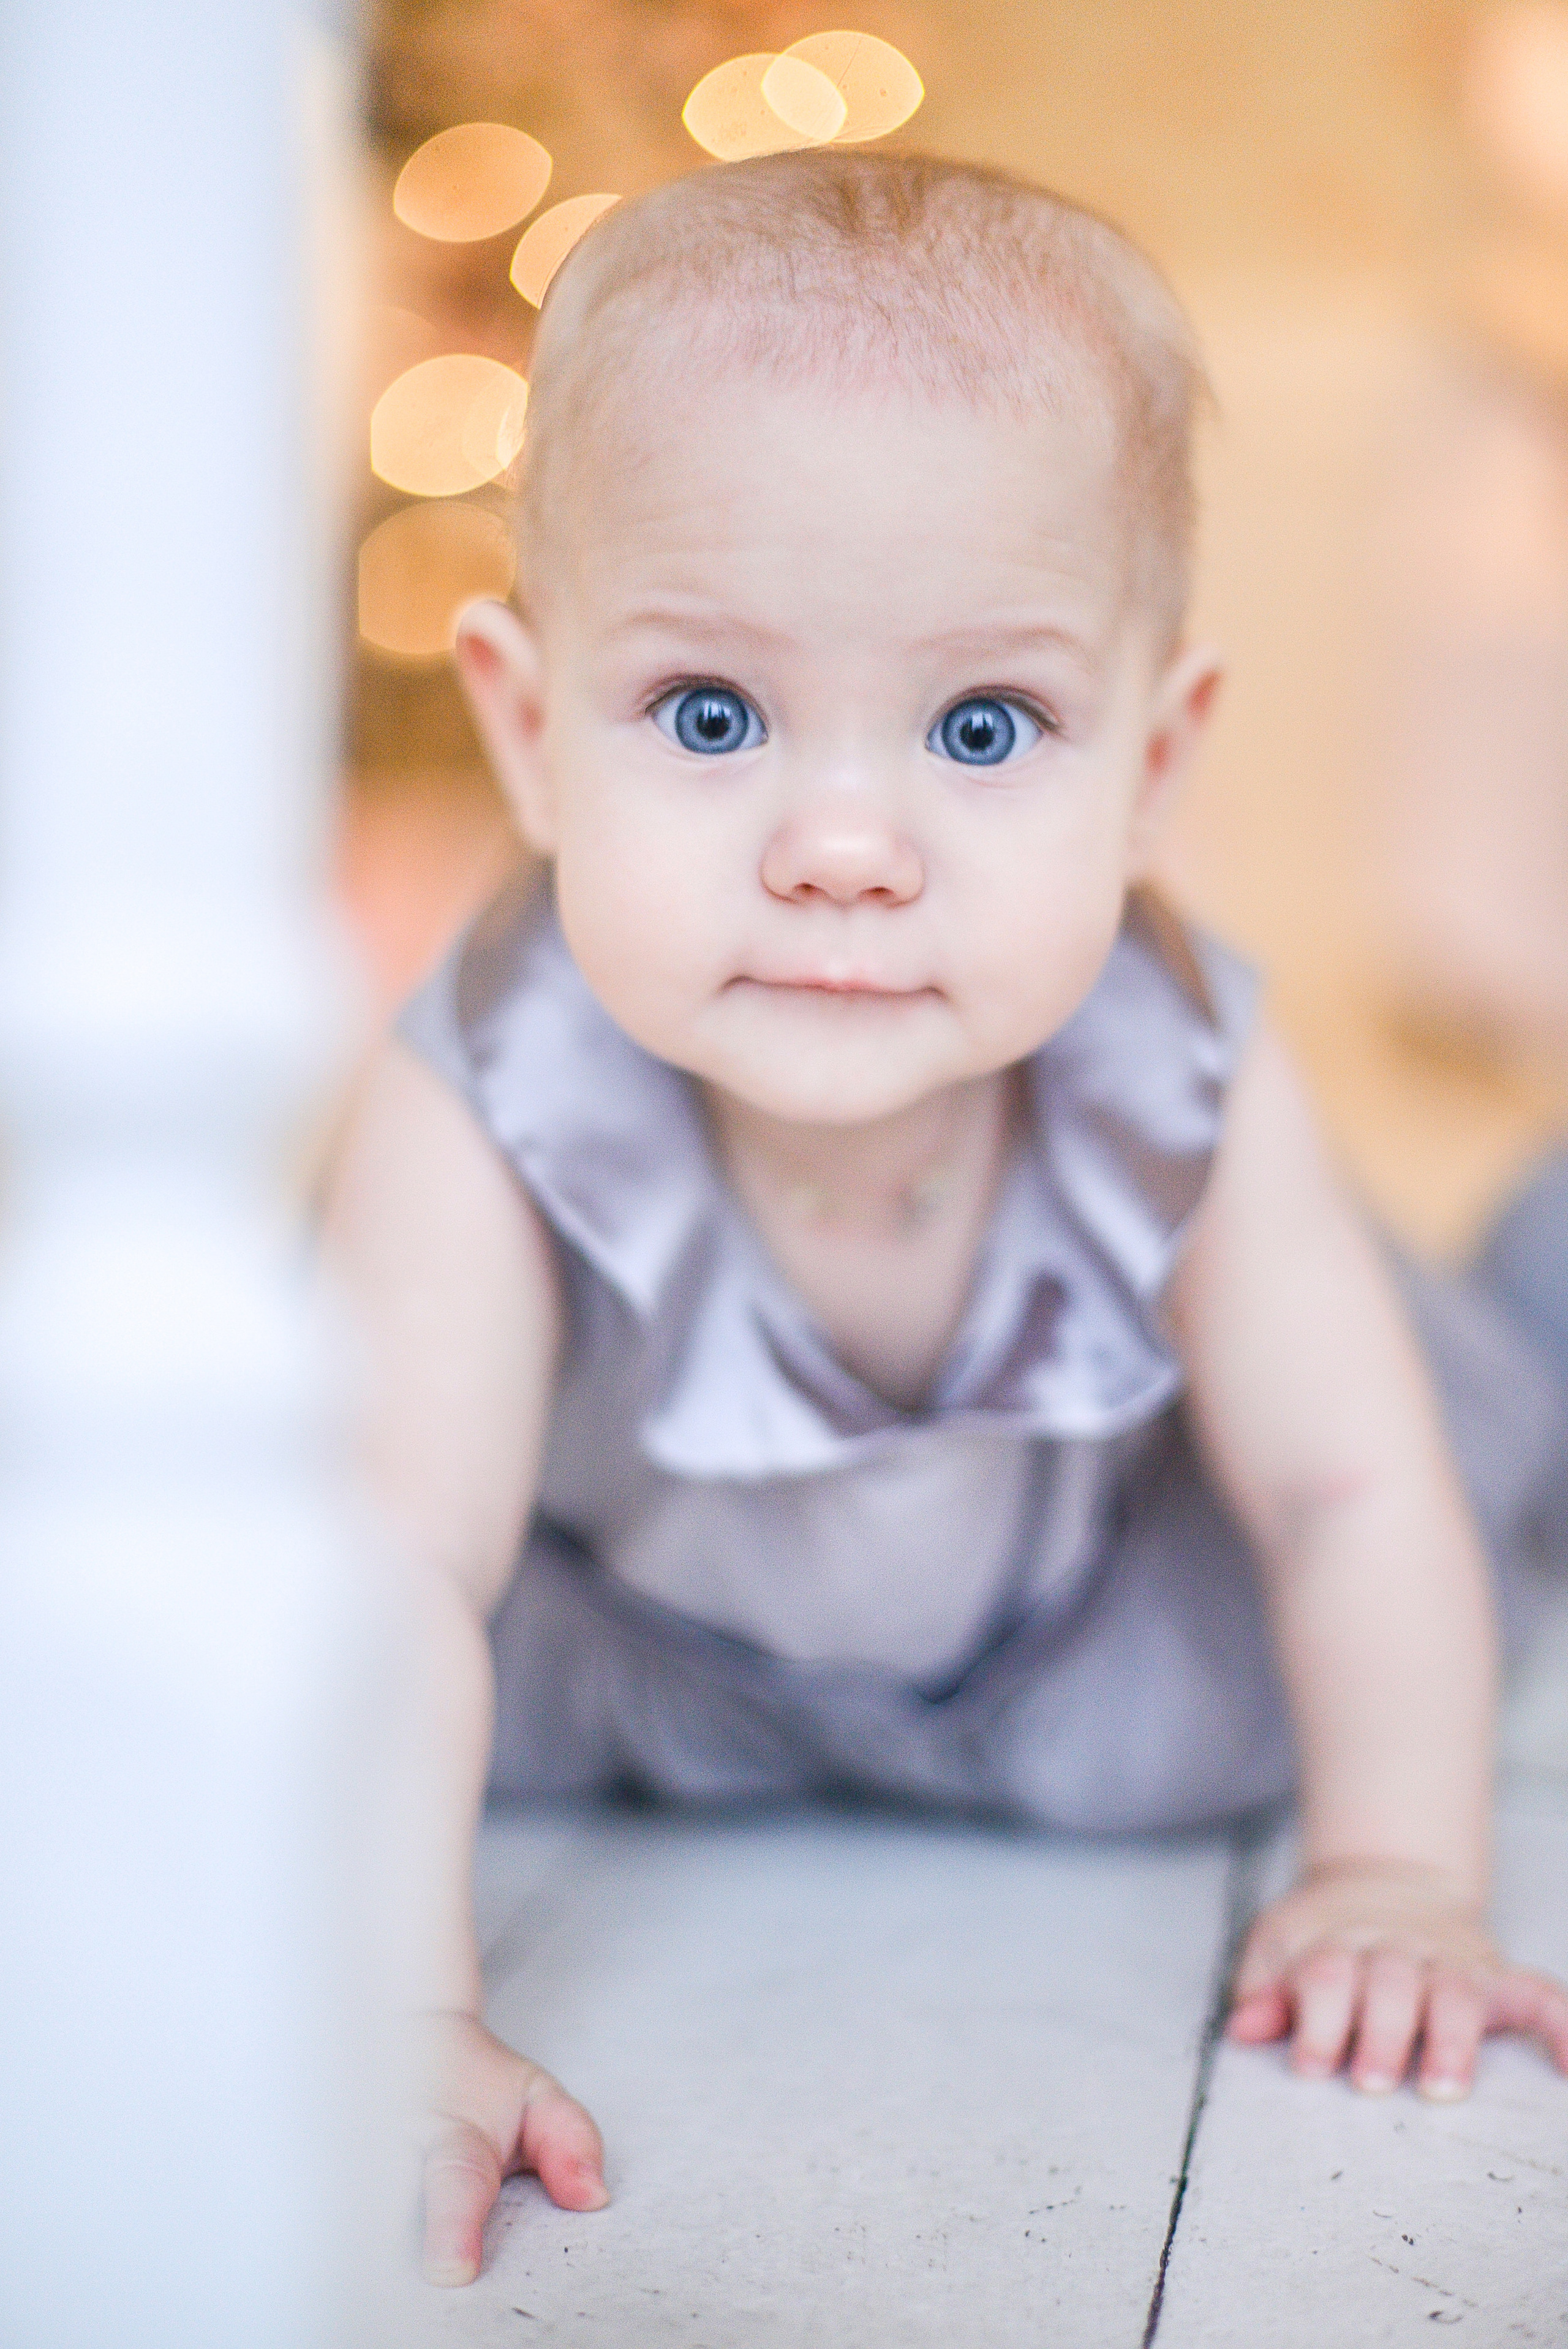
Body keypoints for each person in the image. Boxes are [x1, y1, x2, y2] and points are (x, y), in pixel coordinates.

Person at [322, 151, 1568, 2288]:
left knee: (1475, 1447)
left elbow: (1350, 1487)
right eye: (708, 715)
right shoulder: (484, 1084)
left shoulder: (1170, 1057)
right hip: (641, 1676)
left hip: (1101, 1656)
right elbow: (400, 1561)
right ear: (529, 733)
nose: (839, 843)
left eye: (983, 727)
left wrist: (1388, 1870)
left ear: (1157, 768)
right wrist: (394, 2000)